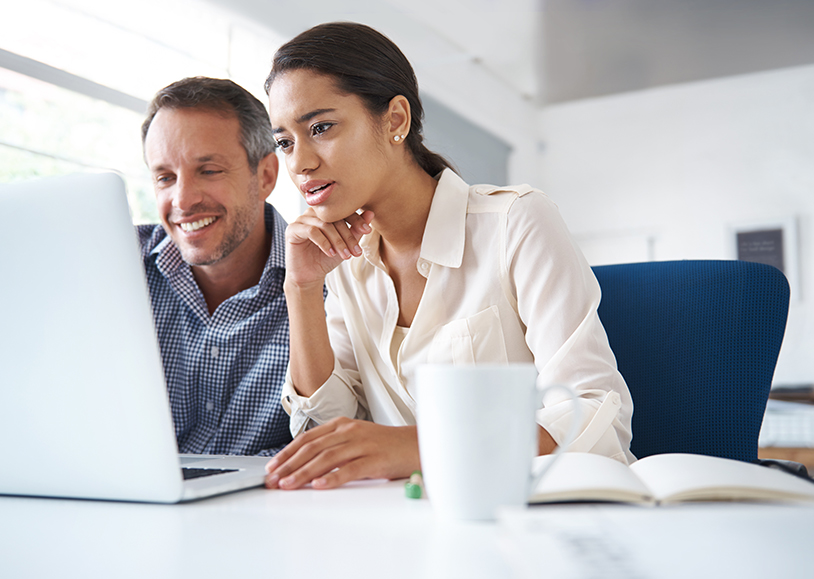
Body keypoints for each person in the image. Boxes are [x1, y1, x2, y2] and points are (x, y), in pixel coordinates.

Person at [263, 22, 634, 489]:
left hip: (529, 520)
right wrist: (300, 288)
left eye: (321, 127)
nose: (299, 163)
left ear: (395, 120)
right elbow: (327, 436)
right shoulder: (347, 265)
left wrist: (417, 447)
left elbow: (596, 420)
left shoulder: (515, 223)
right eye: (285, 142)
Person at [139, 77, 292, 456]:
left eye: (208, 170)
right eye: (165, 177)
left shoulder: (332, 290)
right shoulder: (114, 266)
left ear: (266, 176)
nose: (183, 199)